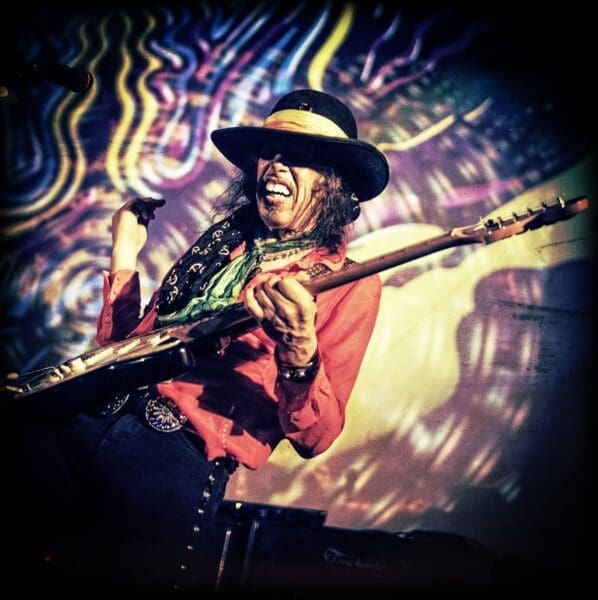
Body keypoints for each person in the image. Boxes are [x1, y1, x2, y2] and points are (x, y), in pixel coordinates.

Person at [7, 89, 389, 592]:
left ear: (335, 183)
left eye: (300, 158)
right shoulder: (219, 248)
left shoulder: (349, 284)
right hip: (87, 418)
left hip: (168, 460)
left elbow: (316, 437)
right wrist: (125, 257)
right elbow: (127, 351)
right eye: (270, 152)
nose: (276, 166)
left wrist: (299, 351)